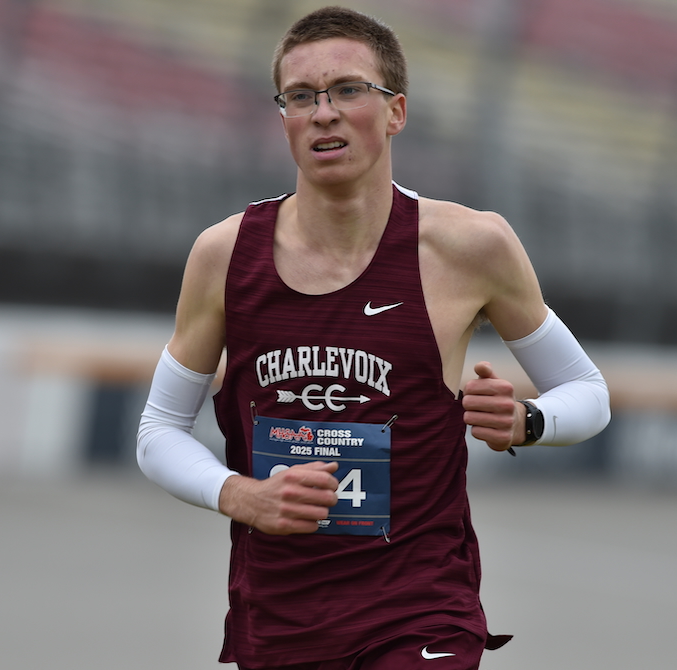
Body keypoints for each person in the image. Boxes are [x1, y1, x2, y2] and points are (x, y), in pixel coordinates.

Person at [136, 6, 610, 669]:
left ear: (396, 111)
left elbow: (587, 393)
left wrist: (530, 421)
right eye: (301, 97)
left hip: (420, 605)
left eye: (348, 90)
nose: (323, 112)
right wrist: (242, 495)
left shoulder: (470, 246)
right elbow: (158, 430)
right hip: (282, 615)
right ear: (285, 119)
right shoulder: (224, 256)